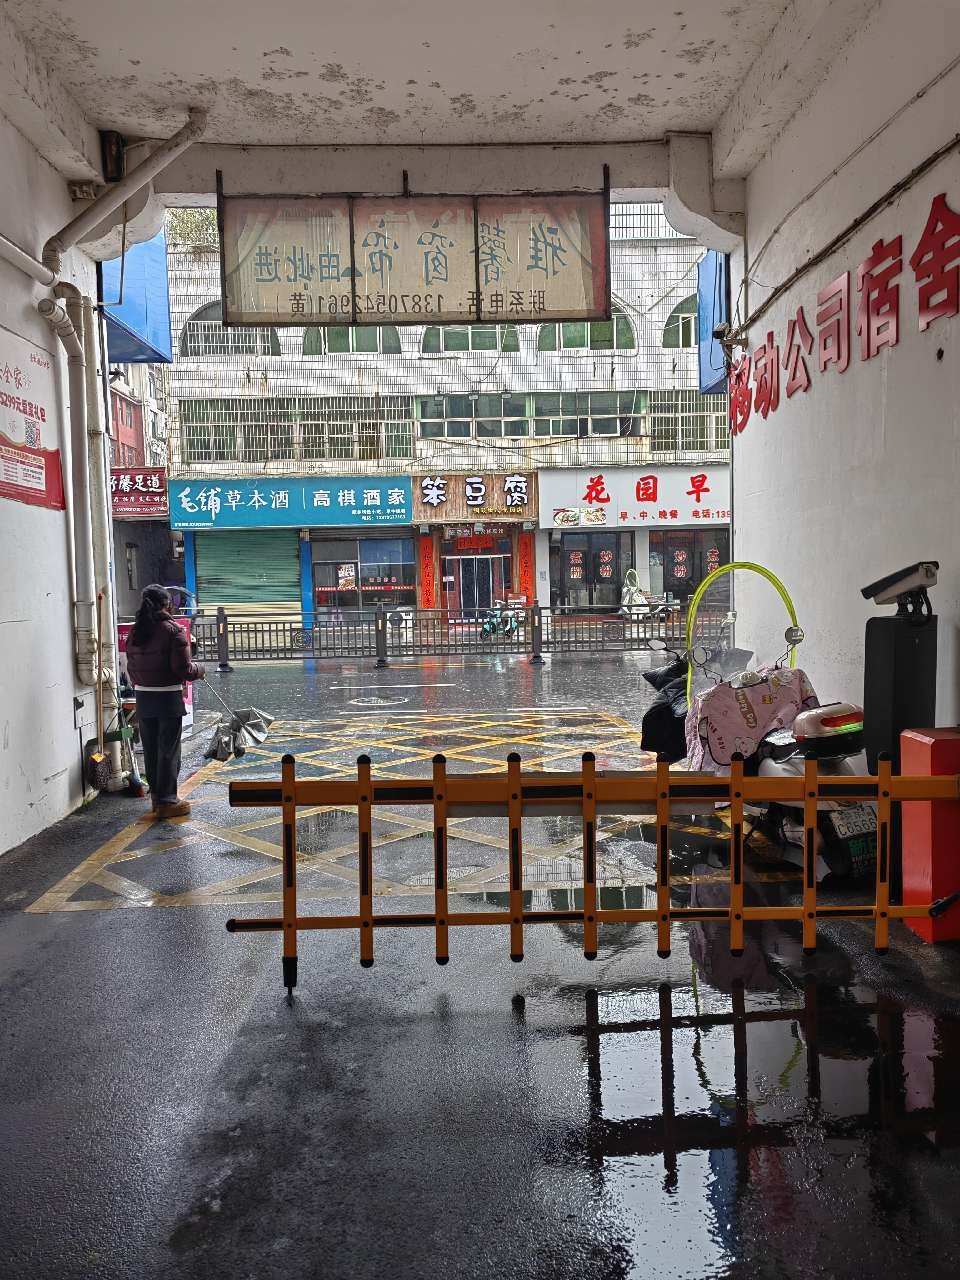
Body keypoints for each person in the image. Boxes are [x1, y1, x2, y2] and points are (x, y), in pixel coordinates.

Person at [125, 584, 205, 819]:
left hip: (143, 697)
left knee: (151, 750)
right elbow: (183, 669)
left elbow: (131, 666)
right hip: (167, 697)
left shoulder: (135, 631)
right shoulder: (173, 630)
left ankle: (157, 799)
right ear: (167, 604)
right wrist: (200, 669)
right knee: (168, 751)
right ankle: (168, 802)